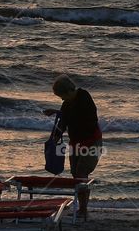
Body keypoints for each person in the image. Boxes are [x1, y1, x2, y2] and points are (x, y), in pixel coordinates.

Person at [43, 74, 102, 218]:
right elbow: (63, 123)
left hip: (92, 141)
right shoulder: (67, 104)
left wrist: (57, 112)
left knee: (81, 173)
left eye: (62, 96)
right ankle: (82, 208)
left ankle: (83, 210)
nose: (62, 99)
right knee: (76, 175)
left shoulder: (84, 97)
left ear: (69, 91)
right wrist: (55, 137)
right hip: (75, 143)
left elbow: (84, 119)